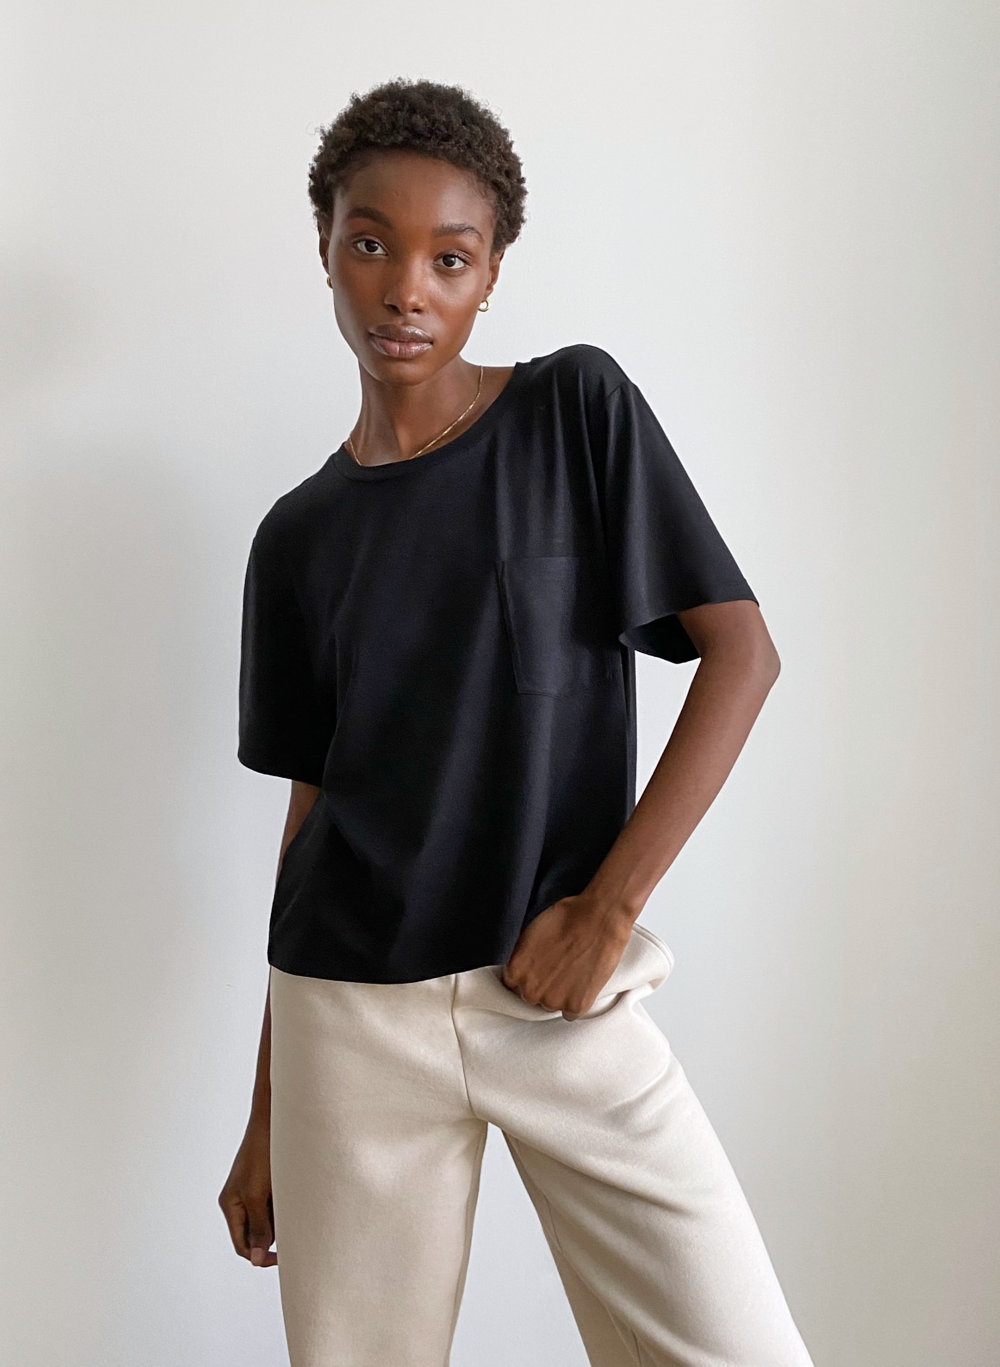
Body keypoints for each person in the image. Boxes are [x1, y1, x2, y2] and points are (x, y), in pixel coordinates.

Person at [218, 77, 816, 1367]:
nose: (405, 290)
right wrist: (268, 1110)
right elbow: (309, 814)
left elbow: (743, 655)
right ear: (324, 245)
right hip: (348, 1020)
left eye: (450, 257)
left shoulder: (574, 413)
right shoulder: (296, 538)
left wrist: (609, 909)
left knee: (738, 1347)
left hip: (555, 998)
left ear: (492, 274)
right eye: (370, 244)